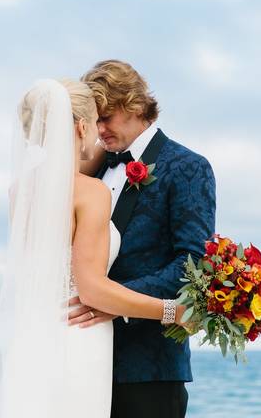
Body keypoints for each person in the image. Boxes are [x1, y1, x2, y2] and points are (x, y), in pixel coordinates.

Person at [0, 77, 195, 418]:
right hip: (78, 342)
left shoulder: (19, 191)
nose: (99, 133)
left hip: (32, 341)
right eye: (96, 121)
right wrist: (174, 311)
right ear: (81, 126)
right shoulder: (90, 192)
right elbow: (91, 290)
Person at [70, 60, 216, 418]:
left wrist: (114, 302)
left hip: (149, 367)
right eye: (95, 120)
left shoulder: (188, 167)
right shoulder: (93, 168)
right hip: (81, 362)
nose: (99, 129)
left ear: (134, 105)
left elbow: (192, 265)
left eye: (106, 117)